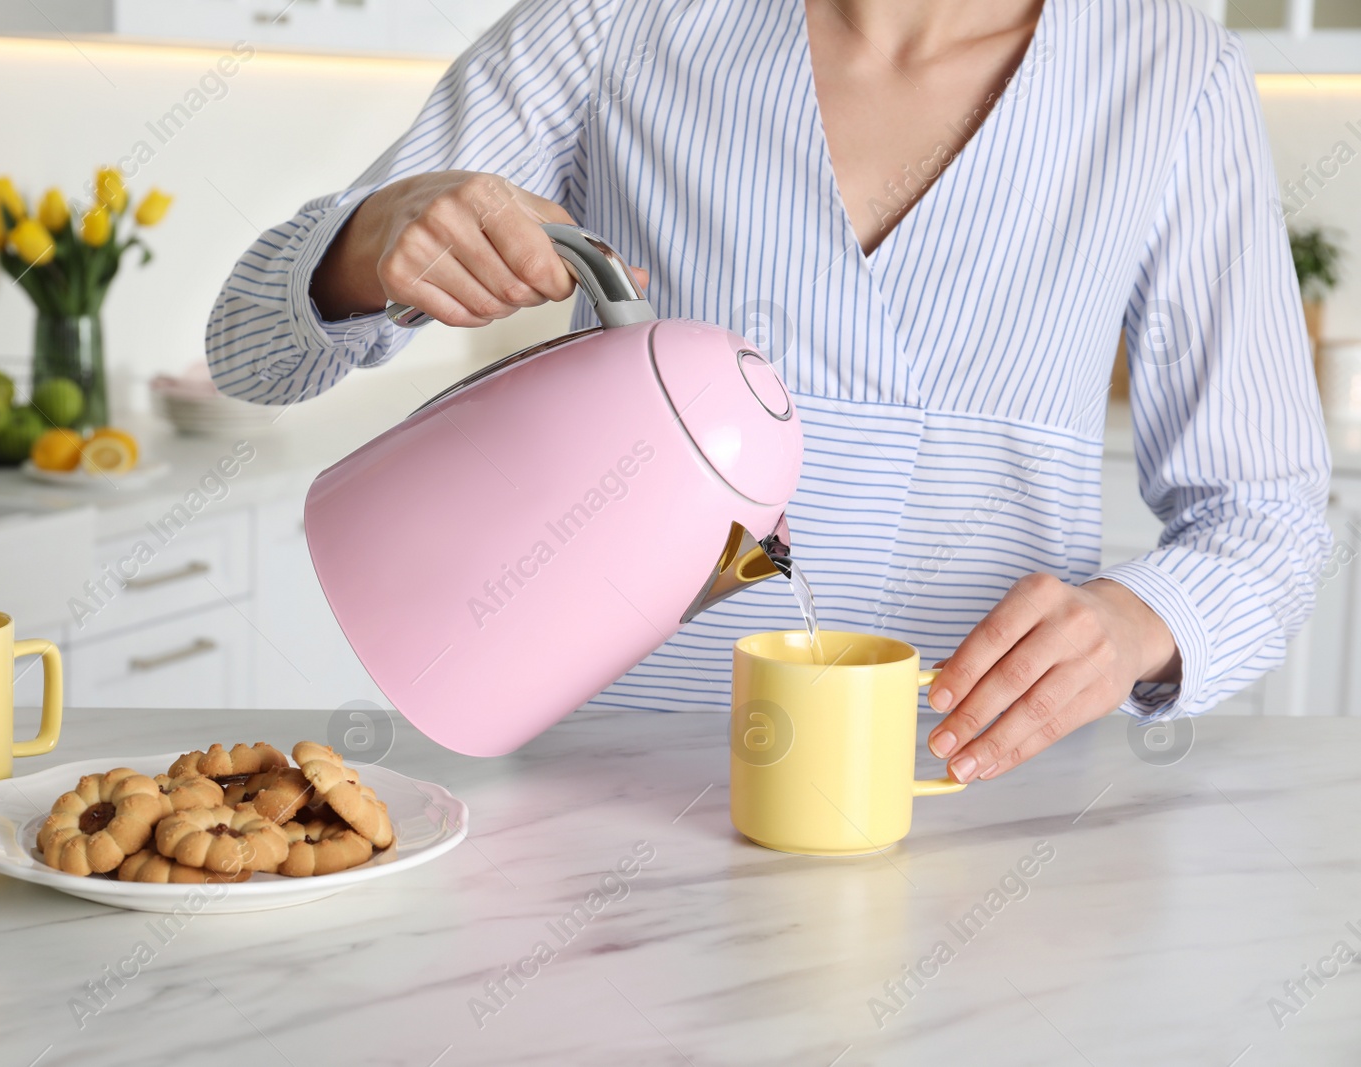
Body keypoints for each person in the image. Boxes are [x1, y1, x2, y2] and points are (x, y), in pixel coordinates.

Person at [207, 0, 1331, 782]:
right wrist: (371, 242)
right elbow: (251, 353)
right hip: (594, 799)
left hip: (977, 800)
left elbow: (1266, 515)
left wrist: (1137, 623)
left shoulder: (1174, 76)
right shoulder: (610, 25)